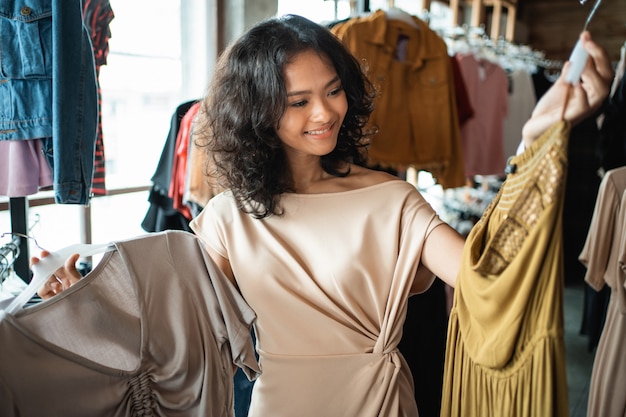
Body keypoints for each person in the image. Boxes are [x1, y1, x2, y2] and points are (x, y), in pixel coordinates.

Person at [33, 14, 613, 417]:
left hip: (380, 403)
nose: (324, 113)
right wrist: (80, 303)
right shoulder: (227, 218)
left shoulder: (392, 200)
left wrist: (536, 141)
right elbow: (178, 325)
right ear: (259, 111)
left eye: (333, 91)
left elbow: (486, 275)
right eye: (298, 101)